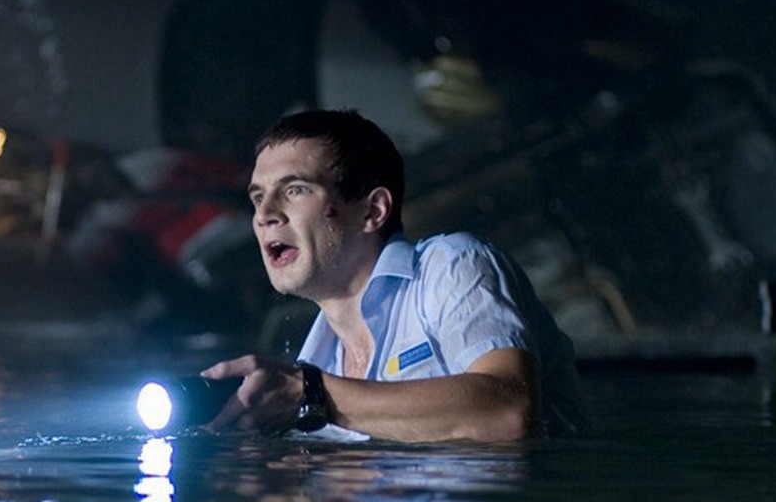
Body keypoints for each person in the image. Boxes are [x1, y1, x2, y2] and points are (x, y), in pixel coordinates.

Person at [201, 109, 587, 441]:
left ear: (372, 211)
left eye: (295, 190)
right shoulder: (316, 363)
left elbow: (509, 413)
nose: (264, 214)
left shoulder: (453, 267)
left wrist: (312, 395)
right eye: (257, 197)